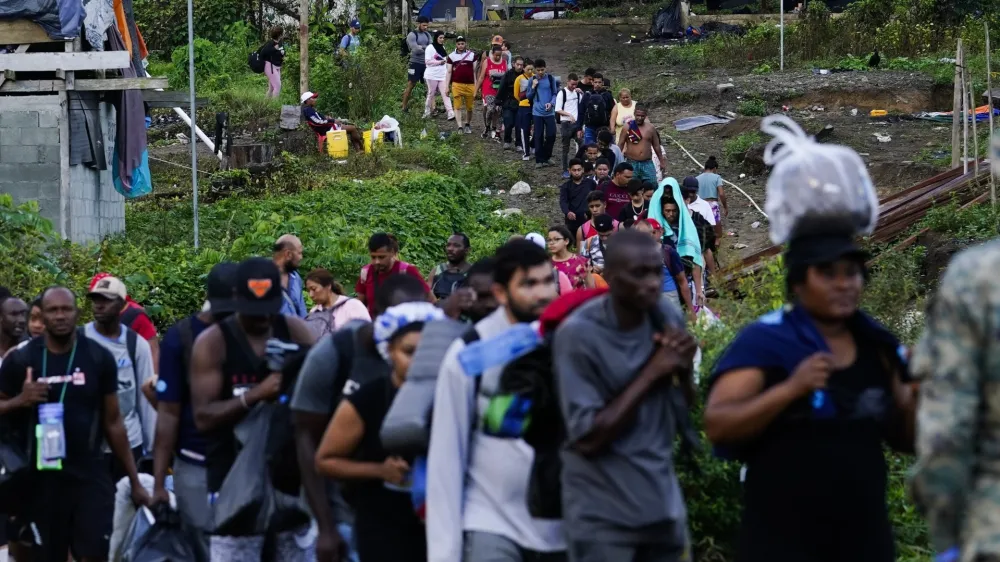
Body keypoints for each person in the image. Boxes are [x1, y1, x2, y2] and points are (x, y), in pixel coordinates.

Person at [706, 215, 915, 562]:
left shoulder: (878, 345)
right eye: (828, 274)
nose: (844, 284)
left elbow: (905, 440)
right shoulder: (766, 341)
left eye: (851, 273)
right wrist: (791, 389)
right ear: (799, 282)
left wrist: (914, 392)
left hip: (863, 539)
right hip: (782, 540)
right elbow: (718, 425)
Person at [554, 229, 694, 562]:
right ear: (611, 277)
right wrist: (653, 371)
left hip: (662, 506)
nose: (651, 283)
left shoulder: (664, 315)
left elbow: (682, 405)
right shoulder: (579, 335)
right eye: (638, 273)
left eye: (655, 271)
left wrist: (684, 369)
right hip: (603, 517)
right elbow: (587, 437)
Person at [427, 239, 566, 562]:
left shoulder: (570, 339)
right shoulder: (470, 354)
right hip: (491, 520)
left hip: (562, 526)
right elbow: (446, 458)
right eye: (529, 284)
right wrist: (444, 553)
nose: (543, 293)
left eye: (548, 281)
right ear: (502, 292)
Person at [0, 286, 151, 562]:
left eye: (66, 309)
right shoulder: (22, 359)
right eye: (53, 310)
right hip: (39, 479)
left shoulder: (98, 357)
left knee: (95, 552)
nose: (60, 316)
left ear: (77, 313)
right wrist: (20, 400)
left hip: (89, 475)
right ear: (42, 316)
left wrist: (134, 479)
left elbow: (114, 422)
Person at [292, 274, 432, 562]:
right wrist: (326, 527)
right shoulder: (336, 354)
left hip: (413, 514)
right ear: (378, 316)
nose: (413, 326)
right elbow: (308, 440)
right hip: (345, 509)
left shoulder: (432, 363)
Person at [190, 258, 317, 560]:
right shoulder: (213, 344)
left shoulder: (297, 332)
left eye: (268, 310)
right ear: (237, 301)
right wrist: (257, 395)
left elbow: (323, 403)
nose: (262, 319)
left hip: (290, 479)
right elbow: (203, 418)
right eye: (253, 312)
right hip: (233, 478)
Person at [151, 262, 238, 537]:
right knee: (200, 545)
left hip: (243, 464)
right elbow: (168, 413)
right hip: (194, 463)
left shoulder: (252, 332)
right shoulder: (182, 337)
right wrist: (158, 483)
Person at [85, 276, 157, 482]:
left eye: (106, 300)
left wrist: (151, 450)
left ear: (121, 304)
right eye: (96, 299)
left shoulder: (136, 345)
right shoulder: (80, 341)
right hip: (90, 446)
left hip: (130, 443)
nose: (99, 305)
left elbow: (145, 399)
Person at [89, 272, 159, 380]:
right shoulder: (102, 318)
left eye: (105, 298)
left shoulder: (136, 315)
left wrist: (152, 382)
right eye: (96, 299)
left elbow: (153, 351)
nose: (100, 304)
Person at [651, 182, 706, 309]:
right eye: (667, 211)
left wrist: (699, 290)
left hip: (686, 278)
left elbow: (695, 260)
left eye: (674, 211)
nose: (670, 214)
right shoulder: (656, 230)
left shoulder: (686, 229)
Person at [356, 233, 430, 316]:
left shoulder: (407, 271)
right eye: (373, 257)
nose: (377, 262)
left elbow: (430, 299)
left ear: (392, 252)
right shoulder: (366, 272)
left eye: (381, 257)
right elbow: (359, 306)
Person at [633, 219, 694, 315]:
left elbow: (682, 280)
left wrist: (691, 310)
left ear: (651, 234)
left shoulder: (668, 252)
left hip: (669, 296)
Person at [305, 268, 371, 338]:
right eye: (309, 291)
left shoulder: (352, 306)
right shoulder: (314, 312)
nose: (311, 295)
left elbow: (367, 334)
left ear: (328, 286)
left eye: (314, 289)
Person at [619, 105, 666, 184]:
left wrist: (661, 161)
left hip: (647, 162)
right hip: (631, 162)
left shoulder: (650, 128)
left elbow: (656, 146)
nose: (640, 118)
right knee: (631, 185)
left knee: (652, 183)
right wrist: (617, 160)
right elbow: (620, 144)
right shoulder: (627, 126)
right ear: (634, 114)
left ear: (645, 116)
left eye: (642, 116)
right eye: (638, 115)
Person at [524, 58, 559, 168]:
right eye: (538, 70)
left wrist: (551, 103)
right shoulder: (532, 80)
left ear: (545, 68)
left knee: (551, 135)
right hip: (537, 112)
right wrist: (533, 87)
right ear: (535, 69)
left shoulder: (550, 78)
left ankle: (547, 157)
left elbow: (555, 93)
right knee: (538, 136)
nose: (540, 72)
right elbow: (528, 96)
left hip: (549, 112)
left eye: (542, 70)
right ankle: (539, 160)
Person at [680, 178, 718, 275]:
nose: (691, 194)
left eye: (694, 191)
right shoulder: (678, 206)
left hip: (700, 244)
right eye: (689, 191)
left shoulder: (704, 205)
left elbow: (710, 227)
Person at [446, 36, 478, 134]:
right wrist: (446, 86)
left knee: (470, 107)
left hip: (470, 84)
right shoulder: (451, 56)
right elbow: (449, 72)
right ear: (456, 44)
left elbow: (474, 71)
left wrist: (476, 86)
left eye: (462, 43)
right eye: (459, 44)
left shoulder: (472, 55)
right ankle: (460, 126)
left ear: (465, 44)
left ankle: (467, 124)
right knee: (457, 106)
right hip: (457, 84)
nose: (460, 46)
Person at [560, 159, 598, 239]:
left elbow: (596, 198)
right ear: (569, 171)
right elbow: (563, 201)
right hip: (572, 221)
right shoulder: (566, 186)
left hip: (589, 220)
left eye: (579, 170)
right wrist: (567, 212)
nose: (577, 173)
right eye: (574, 170)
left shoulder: (591, 183)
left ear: (583, 170)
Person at [477, 45, 508, 139]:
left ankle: (494, 128)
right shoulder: (487, 61)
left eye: (500, 55)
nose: (498, 57)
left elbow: (506, 77)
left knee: (498, 110)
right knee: (490, 108)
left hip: (499, 90)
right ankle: (487, 126)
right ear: (492, 54)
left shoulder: (504, 62)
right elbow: (481, 77)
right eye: (496, 55)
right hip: (488, 88)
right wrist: (476, 89)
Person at [402, 16, 432, 114]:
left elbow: (432, 48)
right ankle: (404, 107)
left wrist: (422, 47)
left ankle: (431, 108)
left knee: (430, 85)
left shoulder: (427, 35)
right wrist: (425, 48)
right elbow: (415, 49)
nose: (425, 27)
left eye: (427, 25)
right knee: (411, 84)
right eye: (423, 25)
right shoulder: (412, 35)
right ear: (418, 24)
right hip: (414, 63)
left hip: (426, 63)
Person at [428, 233, 472, 301]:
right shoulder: (437, 271)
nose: (450, 249)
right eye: (448, 245)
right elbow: (427, 297)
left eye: (456, 246)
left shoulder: (474, 272)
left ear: (467, 250)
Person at [423, 30, 455, 120]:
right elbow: (427, 62)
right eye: (440, 38)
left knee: (445, 93)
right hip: (432, 75)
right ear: (436, 38)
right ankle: (427, 111)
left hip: (442, 74)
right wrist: (439, 62)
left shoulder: (443, 47)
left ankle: (450, 112)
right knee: (431, 93)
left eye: (443, 38)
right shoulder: (430, 48)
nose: (442, 40)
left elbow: (445, 61)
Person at [556, 73, 583, 178]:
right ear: (568, 82)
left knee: (582, 144)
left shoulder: (577, 93)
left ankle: (578, 166)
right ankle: (565, 169)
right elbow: (558, 109)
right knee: (565, 148)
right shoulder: (562, 93)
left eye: (576, 84)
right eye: (572, 84)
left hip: (576, 124)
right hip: (566, 123)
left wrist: (582, 93)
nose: (574, 87)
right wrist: (569, 115)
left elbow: (583, 105)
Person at [274, 233, 307, 318]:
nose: (301, 257)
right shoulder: (263, 278)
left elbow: (302, 312)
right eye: (299, 253)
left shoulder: (295, 278)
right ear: (288, 254)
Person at [548, 226, 591, 290]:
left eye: (556, 239)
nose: (551, 243)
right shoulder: (547, 264)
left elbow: (591, 287)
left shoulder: (581, 261)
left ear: (566, 241)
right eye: (549, 240)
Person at [495, 56, 525, 150]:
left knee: (519, 124)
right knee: (508, 122)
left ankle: (518, 144)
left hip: (521, 103)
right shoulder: (508, 75)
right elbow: (502, 88)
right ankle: (507, 141)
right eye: (518, 64)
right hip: (508, 102)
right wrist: (498, 102)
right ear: (513, 64)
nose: (520, 67)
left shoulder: (525, 76)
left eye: (521, 65)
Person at [696, 156, 727, 239]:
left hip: (700, 204)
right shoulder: (716, 177)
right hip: (712, 204)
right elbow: (721, 194)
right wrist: (725, 207)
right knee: (717, 229)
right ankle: (716, 243)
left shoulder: (697, 178)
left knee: (701, 228)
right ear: (714, 168)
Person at [581, 74, 612, 145]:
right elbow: (581, 111)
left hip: (604, 126)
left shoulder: (607, 95)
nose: (597, 84)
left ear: (603, 83)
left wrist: (611, 126)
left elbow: (612, 110)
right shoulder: (587, 95)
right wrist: (579, 128)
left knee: (604, 147)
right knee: (589, 147)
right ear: (592, 82)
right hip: (589, 126)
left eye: (599, 82)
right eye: (595, 82)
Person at [514, 59, 535, 160]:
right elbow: (516, 94)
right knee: (524, 129)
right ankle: (526, 151)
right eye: (528, 69)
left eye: (532, 69)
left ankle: (534, 146)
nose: (530, 71)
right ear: (524, 68)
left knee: (536, 128)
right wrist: (523, 101)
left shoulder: (536, 77)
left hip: (535, 106)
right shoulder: (519, 78)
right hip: (524, 106)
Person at [260, 26, 285, 98]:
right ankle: (274, 106)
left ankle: (265, 105)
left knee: (271, 88)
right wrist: (274, 49)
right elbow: (263, 53)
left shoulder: (280, 43)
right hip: (270, 66)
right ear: (279, 35)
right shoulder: (270, 44)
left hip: (277, 67)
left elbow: (281, 53)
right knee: (277, 86)